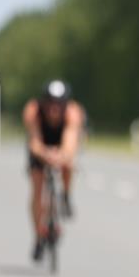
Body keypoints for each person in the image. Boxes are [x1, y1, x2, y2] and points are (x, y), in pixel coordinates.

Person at [23, 80, 84, 261]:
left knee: (69, 165)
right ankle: (38, 236)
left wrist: (62, 156)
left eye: (59, 104)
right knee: (37, 187)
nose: (54, 108)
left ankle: (65, 194)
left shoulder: (73, 113)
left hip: (61, 143)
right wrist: (45, 154)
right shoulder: (33, 111)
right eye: (50, 103)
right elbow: (34, 142)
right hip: (41, 145)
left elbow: (70, 143)